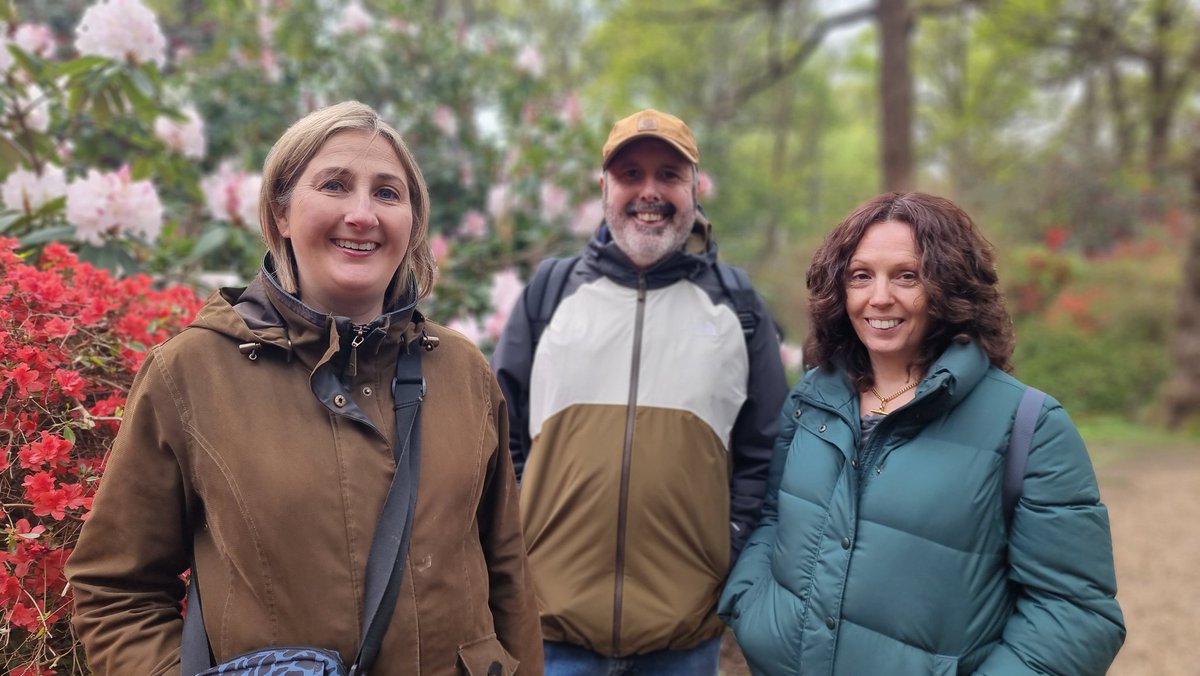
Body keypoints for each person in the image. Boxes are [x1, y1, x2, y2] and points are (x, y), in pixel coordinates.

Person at [67, 101, 543, 675]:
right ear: (281, 212)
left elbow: (507, 572)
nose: (363, 214)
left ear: (413, 222)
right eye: (335, 185)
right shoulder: (191, 373)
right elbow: (115, 589)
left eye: (388, 193)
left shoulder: (463, 370)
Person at [719, 191, 1126, 674]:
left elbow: (1076, 615)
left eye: (907, 276)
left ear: (950, 286)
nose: (880, 297)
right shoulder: (810, 399)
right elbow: (774, 518)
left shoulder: (1030, 427)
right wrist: (752, 606)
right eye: (861, 276)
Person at [491, 108, 789, 675]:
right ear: (604, 188)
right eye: (630, 173)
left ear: (694, 188)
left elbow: (765, 452)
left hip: (683, 639)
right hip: (551, 634)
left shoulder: (738, 307)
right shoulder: (550, 293)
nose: (649, 191)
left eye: (668, 175)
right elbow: (498, 434)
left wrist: (726, 544)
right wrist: (529, 528)